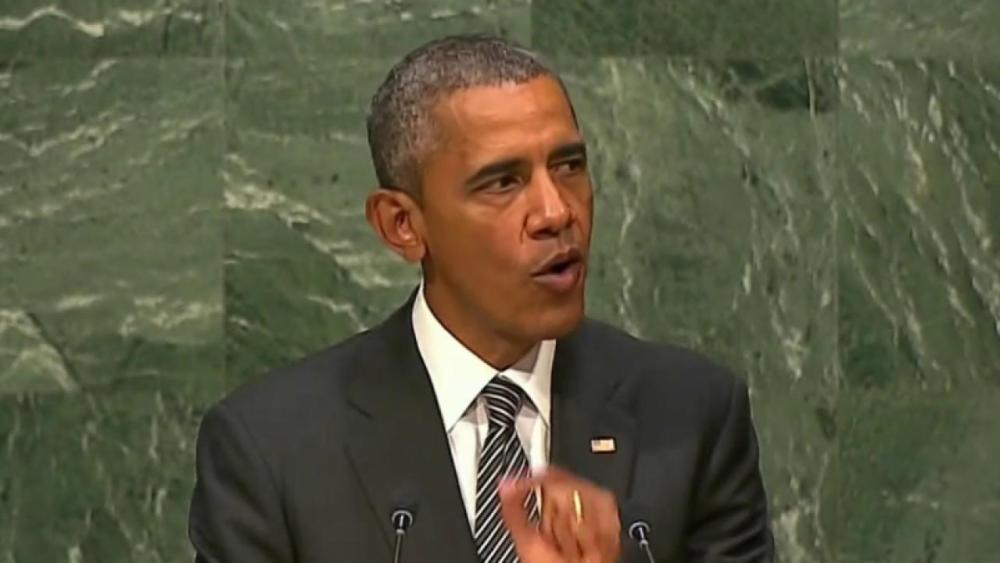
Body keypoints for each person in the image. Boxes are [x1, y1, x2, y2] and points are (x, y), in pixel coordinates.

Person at [188, 34, 774, 563]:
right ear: (402, 225)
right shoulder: (271, 448)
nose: (556, 211)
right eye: (503, 182)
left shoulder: (690, 417)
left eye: (569, 166)